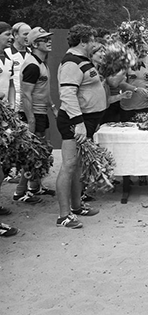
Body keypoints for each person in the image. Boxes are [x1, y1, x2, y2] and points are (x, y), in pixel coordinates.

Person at [55, 24, 107, 229]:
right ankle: (63, 216)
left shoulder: (83, 60)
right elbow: (67, 94)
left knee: (77, 166)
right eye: (92, 40)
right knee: (69, 165)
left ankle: (76, 206)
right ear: (83, 42)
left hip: (86, 120)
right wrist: (79, 123)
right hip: (74, 121)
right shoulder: (71, 62)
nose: (95, 43)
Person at [13, 27, 57, 204]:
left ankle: (35, 187)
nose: (49, 41)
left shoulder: (41, 63)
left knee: (42, 151)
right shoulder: (32, 65)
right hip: (33, 114)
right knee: (32, 153)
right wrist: (30, 119)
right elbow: (26, 94)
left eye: (49, 38)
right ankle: (20, 192)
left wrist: (52, 107)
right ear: (35, 44)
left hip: (41, 112)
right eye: (44, 39)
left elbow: (43, 90)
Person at [0, 21, 18, 237]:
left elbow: (11, 86)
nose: (11, 38)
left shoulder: (7, 59)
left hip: (4, 117)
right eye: (7, 34)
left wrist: (12, 110)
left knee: (4, 165)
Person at [5, 22, 31, 112]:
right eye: (25, 34)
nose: (28, 37)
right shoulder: (6, 53)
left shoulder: (32, 53)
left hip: (29, 104)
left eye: (30, 34)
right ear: (15, 35)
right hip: (11, 105)